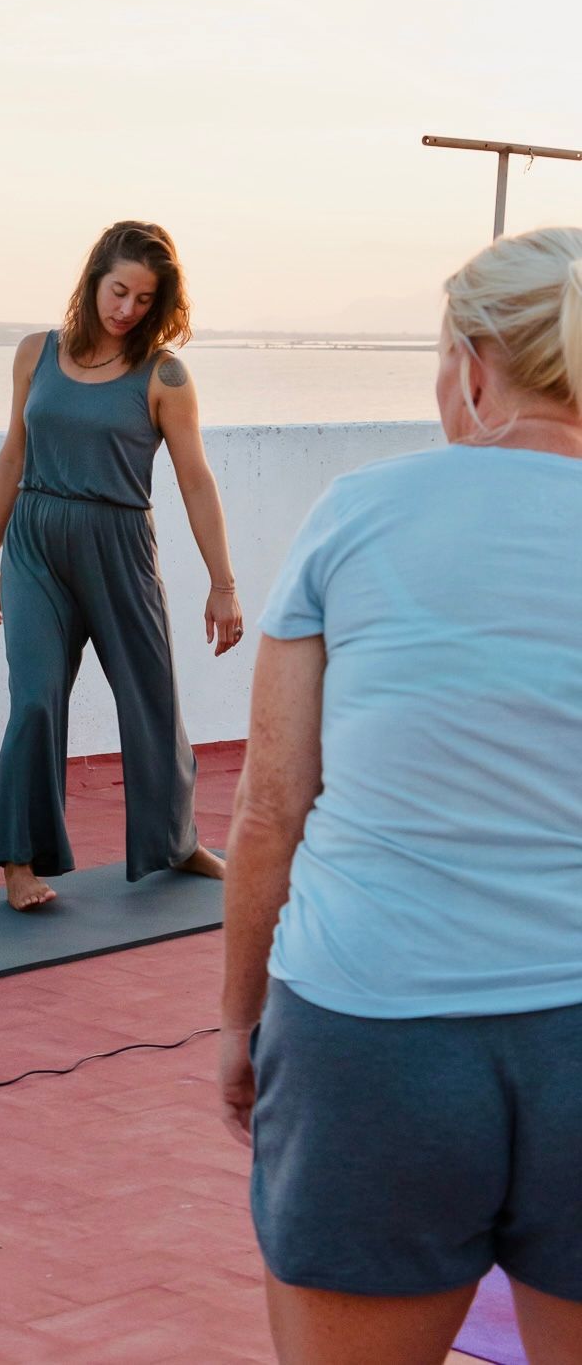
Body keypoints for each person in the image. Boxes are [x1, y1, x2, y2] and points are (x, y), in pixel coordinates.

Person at [219, 226, 582, 1365]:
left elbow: (270, 812)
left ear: (474, 365)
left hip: (373, 1039)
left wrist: (240, 1025)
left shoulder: (359, 513)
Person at [0, 220, 243, 911]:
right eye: (118, 291)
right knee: (34, 696)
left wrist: (223, 583)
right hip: (36, 542)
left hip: (120, 545)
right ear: (94, 279)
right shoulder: (36, 352)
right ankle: (19, 862)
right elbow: (12, 454)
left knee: (151, 699)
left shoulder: (165, 374)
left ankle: (176, 842)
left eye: (144, 299)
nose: (126, 309)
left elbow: (195, 480)